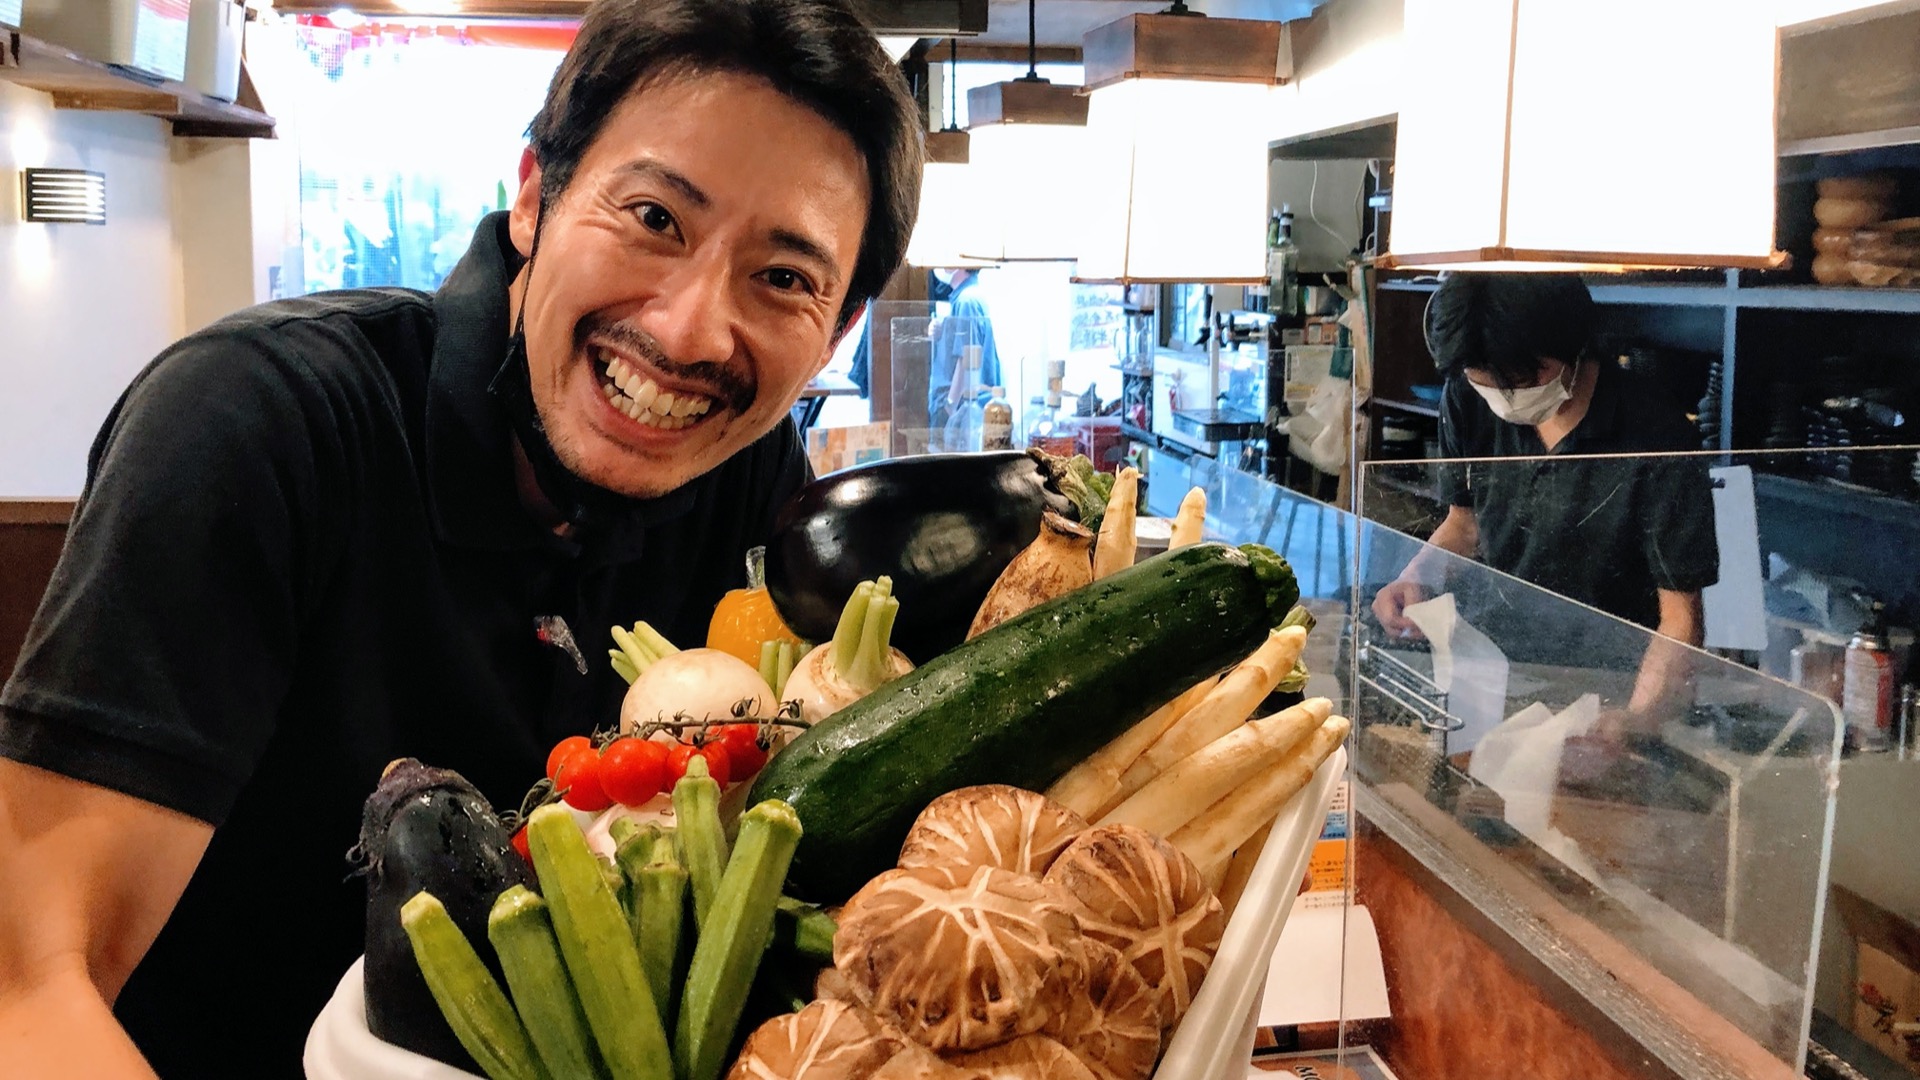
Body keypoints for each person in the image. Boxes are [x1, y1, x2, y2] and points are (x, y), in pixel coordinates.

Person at [0, 1, 920, 1075]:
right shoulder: (256, 423)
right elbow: (31, 981)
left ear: (839, 329)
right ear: (536, 194)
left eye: (783, 278)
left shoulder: (748, 470)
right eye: (656, 218)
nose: (686, 333)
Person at [1371, 273, 1719, 724]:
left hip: (1607, 689)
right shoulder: (1467, 400)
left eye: (1525, 377)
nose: (1505, 398)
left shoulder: (1657, 437)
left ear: (1570, 343)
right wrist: (1415, 576)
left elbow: (1680, 618)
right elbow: (1464, 524)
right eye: (1485, 382)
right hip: (1492, 667)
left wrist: (1635, 721)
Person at [926, 265, 1002, 433]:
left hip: (960, 412)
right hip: (961, 409)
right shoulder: (967, 297)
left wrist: (950, 407)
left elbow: (966, 359)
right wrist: (941, 332)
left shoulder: (967, 301)